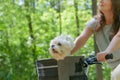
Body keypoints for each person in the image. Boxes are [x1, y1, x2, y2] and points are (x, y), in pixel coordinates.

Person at [71, 0, 120, 80]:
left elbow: (119, 36)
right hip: (115, 68)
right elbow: (81, 39)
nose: (100, 0)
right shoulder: (95, 23)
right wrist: (64, 54)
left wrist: (107, 51)